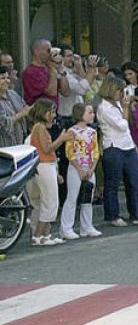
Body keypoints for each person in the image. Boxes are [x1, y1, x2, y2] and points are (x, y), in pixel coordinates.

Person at [96, 77, 138, 227]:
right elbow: (122, 125)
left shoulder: (118, 105)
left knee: (136, 181)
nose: (122, 94)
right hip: (114, 146)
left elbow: (127, 129)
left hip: (127, 146)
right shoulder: (104, 108)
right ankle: (112, 215)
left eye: (123, 91)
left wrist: (134, 145)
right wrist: (126, 108)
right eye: (119, 90)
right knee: (113, 183)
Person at [27, 98, 74, 245]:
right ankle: (38, 235)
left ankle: (45, 235)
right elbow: (46, 149)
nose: (54, 115)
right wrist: (61, 139)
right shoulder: (40, 128)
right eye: (51, 112)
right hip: (44, 166)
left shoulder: (39, 127)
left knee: (48, 202)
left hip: (47, 166)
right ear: (43, 112)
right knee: (50, 202)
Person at [62, 103, 101, 239]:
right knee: (72, 197)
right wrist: (79, 169)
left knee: (88, 197)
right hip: (75, 167)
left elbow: (95, 151)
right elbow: (69, 152)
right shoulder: (72, 131)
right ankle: (66, 227)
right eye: (89, 112)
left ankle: (87, 226)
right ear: (80, 114)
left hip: (89, 167)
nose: (92, 115)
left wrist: (92, 168)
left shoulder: (93, 132)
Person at [22, 39, 65, 108]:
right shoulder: (30, 72)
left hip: (53, 113)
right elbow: (51, 93)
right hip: (39, 115)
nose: (50, 54)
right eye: (48, 50)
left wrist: (61, 70)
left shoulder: (48, 69)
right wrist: (52, 69)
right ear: (37, 51)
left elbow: (65, 91)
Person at [0, 66, 31, 147]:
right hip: (4, 148)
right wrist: (21, 114)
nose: (7, 81)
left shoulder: (12, 94)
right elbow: (4, 124)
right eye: (3, 78)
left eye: (8, 78)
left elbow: (26, 109)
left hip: (20, 143)